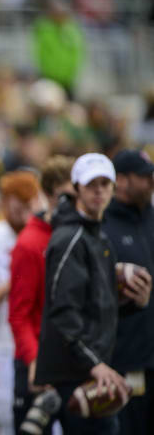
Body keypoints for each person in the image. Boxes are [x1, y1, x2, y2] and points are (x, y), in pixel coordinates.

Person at [35, 153, 150, 434]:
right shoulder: (70, 238)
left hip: (88, 367)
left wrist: (137, 303)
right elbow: (62, 312)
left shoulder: (97, 236)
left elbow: (99, 306)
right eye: (91, 184)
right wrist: (95, 364)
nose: (99, 191)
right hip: (75, 373)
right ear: (76, 188)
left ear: (113, 188)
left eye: (104, 183)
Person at [9, 155, 75, 433]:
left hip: (76, 364)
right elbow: (19, 314)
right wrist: (35, 361)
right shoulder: (30, 242)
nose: (73, 203)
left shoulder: (83, 235)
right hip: (40, 365)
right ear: (48, 196)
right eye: (65, 196)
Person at [0, 170, 41, 433]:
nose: (23, 214)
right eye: (16, 205)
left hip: (40, 340)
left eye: (28, 205)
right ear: (3, 203)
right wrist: (15, 281)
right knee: (7, 420)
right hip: (4, 344)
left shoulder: (46, 235)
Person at [103, 149, 154, 435]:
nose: (151, 182)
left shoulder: (151, 219)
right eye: (143, 177)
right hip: (123, 357)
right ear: (120, 180)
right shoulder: (103, 225)